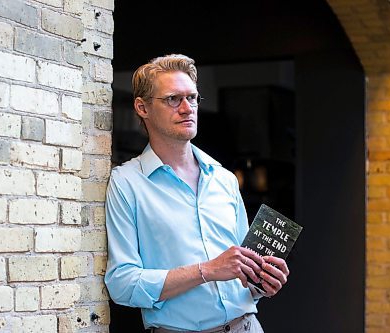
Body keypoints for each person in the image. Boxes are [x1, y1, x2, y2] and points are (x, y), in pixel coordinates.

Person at [104, 54, 290, 332]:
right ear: (142, 107)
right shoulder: (127, 183)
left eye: (192, 98)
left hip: (248, 326)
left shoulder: (225, 179)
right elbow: (122, 283)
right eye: (172, 99)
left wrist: (262, 282)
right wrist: (206, 270)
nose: (186, 108)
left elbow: (241, 270)